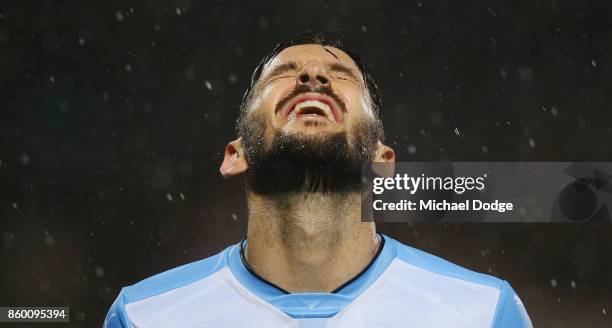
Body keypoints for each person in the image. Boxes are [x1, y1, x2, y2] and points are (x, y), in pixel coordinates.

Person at [104, 33, 532, 327]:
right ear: (235, 155)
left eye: (341, 75)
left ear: (383, 162)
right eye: (284, 74)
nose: (312, 77)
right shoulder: (145, 315)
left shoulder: (483, 312)